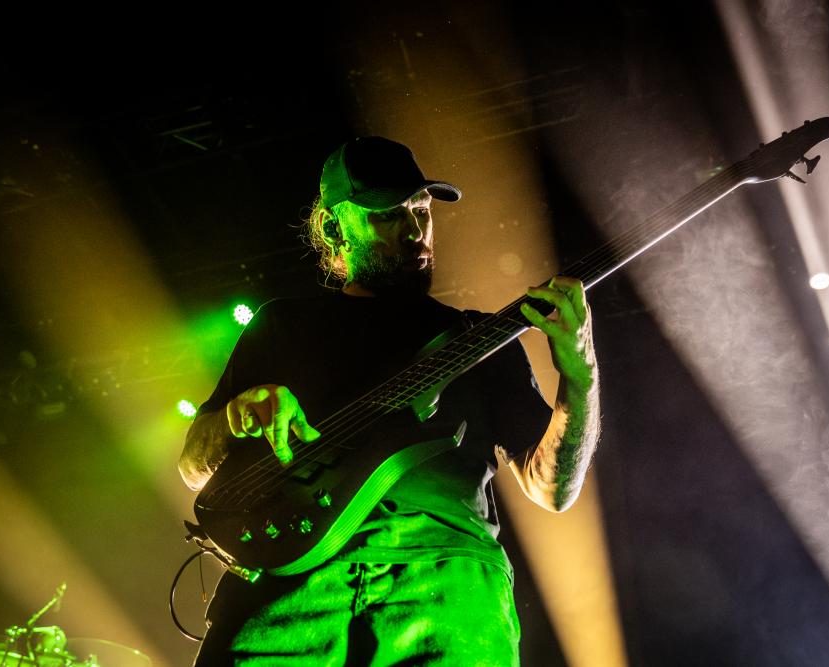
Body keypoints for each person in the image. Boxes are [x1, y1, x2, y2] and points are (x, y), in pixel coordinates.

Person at [179, 136, 600, 666]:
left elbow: (552, 489)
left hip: (445, 581)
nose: (414, 231)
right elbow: (193, 467)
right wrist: (237, 415)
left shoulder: (480, 338)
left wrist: (580, 377)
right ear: (334, 228)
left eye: (421, 210)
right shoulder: (282, 325)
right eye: (386, 215)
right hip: (288, 584)